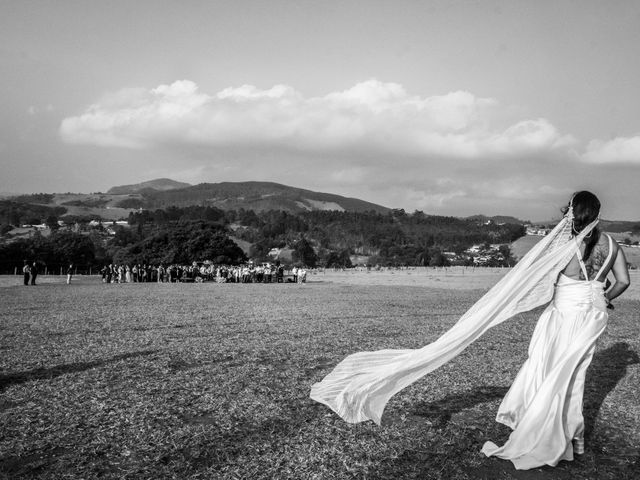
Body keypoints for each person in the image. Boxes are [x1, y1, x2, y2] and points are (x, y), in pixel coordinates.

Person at [310, 191, 630, 471]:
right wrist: (603, 299)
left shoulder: (564, 245)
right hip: (593, 318)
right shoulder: (613, 245)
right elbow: (623, 283)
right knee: (574, 376)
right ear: (597, 215)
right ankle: (574, 440)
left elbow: (537, 281)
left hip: (563, 315)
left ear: (572, 213)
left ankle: (543, 434)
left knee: (548, 372)